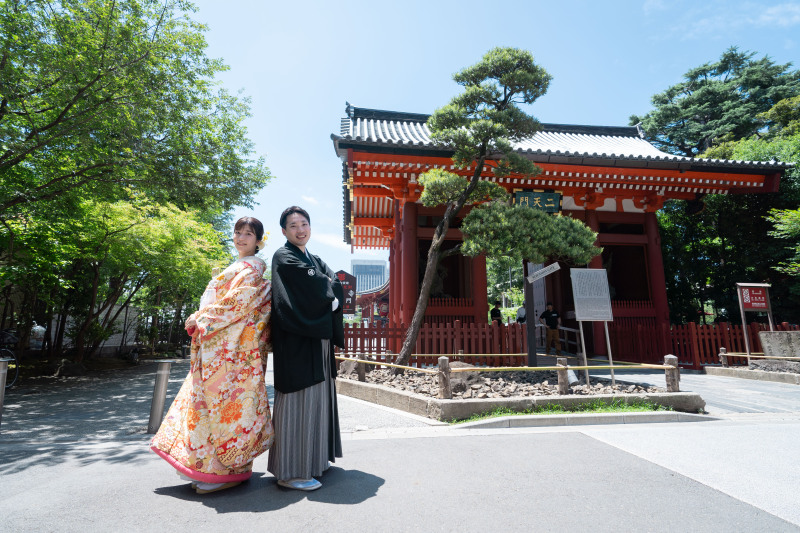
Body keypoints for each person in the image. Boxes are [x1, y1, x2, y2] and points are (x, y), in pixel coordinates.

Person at [150, 217, 274, 494]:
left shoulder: (253, 269)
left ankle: (225, 471)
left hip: (232, 351)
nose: (241, 237)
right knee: (211, 406)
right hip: (221, 347)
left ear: (258, 241)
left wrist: (202, 317)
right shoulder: (241, 266)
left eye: (249, 234)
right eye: (238, 232)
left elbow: (237, 303)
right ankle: (209, 469)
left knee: (226, 406)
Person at [268, 206, 345, 491]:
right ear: (284, 231)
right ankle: (290, 472)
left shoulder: (313, 258)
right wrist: (328, 293)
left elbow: (332, 282)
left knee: (317, 401)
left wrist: (327, 289)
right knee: (297, 402)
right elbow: (316, 283)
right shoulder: (284, 256)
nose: (300, 229)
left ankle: (313, 462)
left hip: (319, 339)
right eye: (293, 225)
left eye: (304, 224)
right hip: (297, 340)